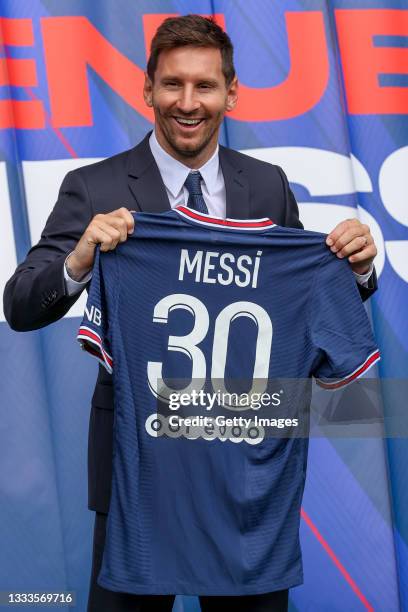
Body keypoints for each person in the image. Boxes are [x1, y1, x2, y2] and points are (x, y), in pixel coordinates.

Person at [4, 14, 377, 612]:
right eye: (172, 84)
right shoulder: (94, 186)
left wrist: (354, 267)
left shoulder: (268, 185)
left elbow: (300, 304)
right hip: (137, 471)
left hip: (245, 473)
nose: (188, 102)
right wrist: (78, 260)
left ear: (231, 93)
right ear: (147, 90)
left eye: (205, 86)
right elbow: (20, 305)